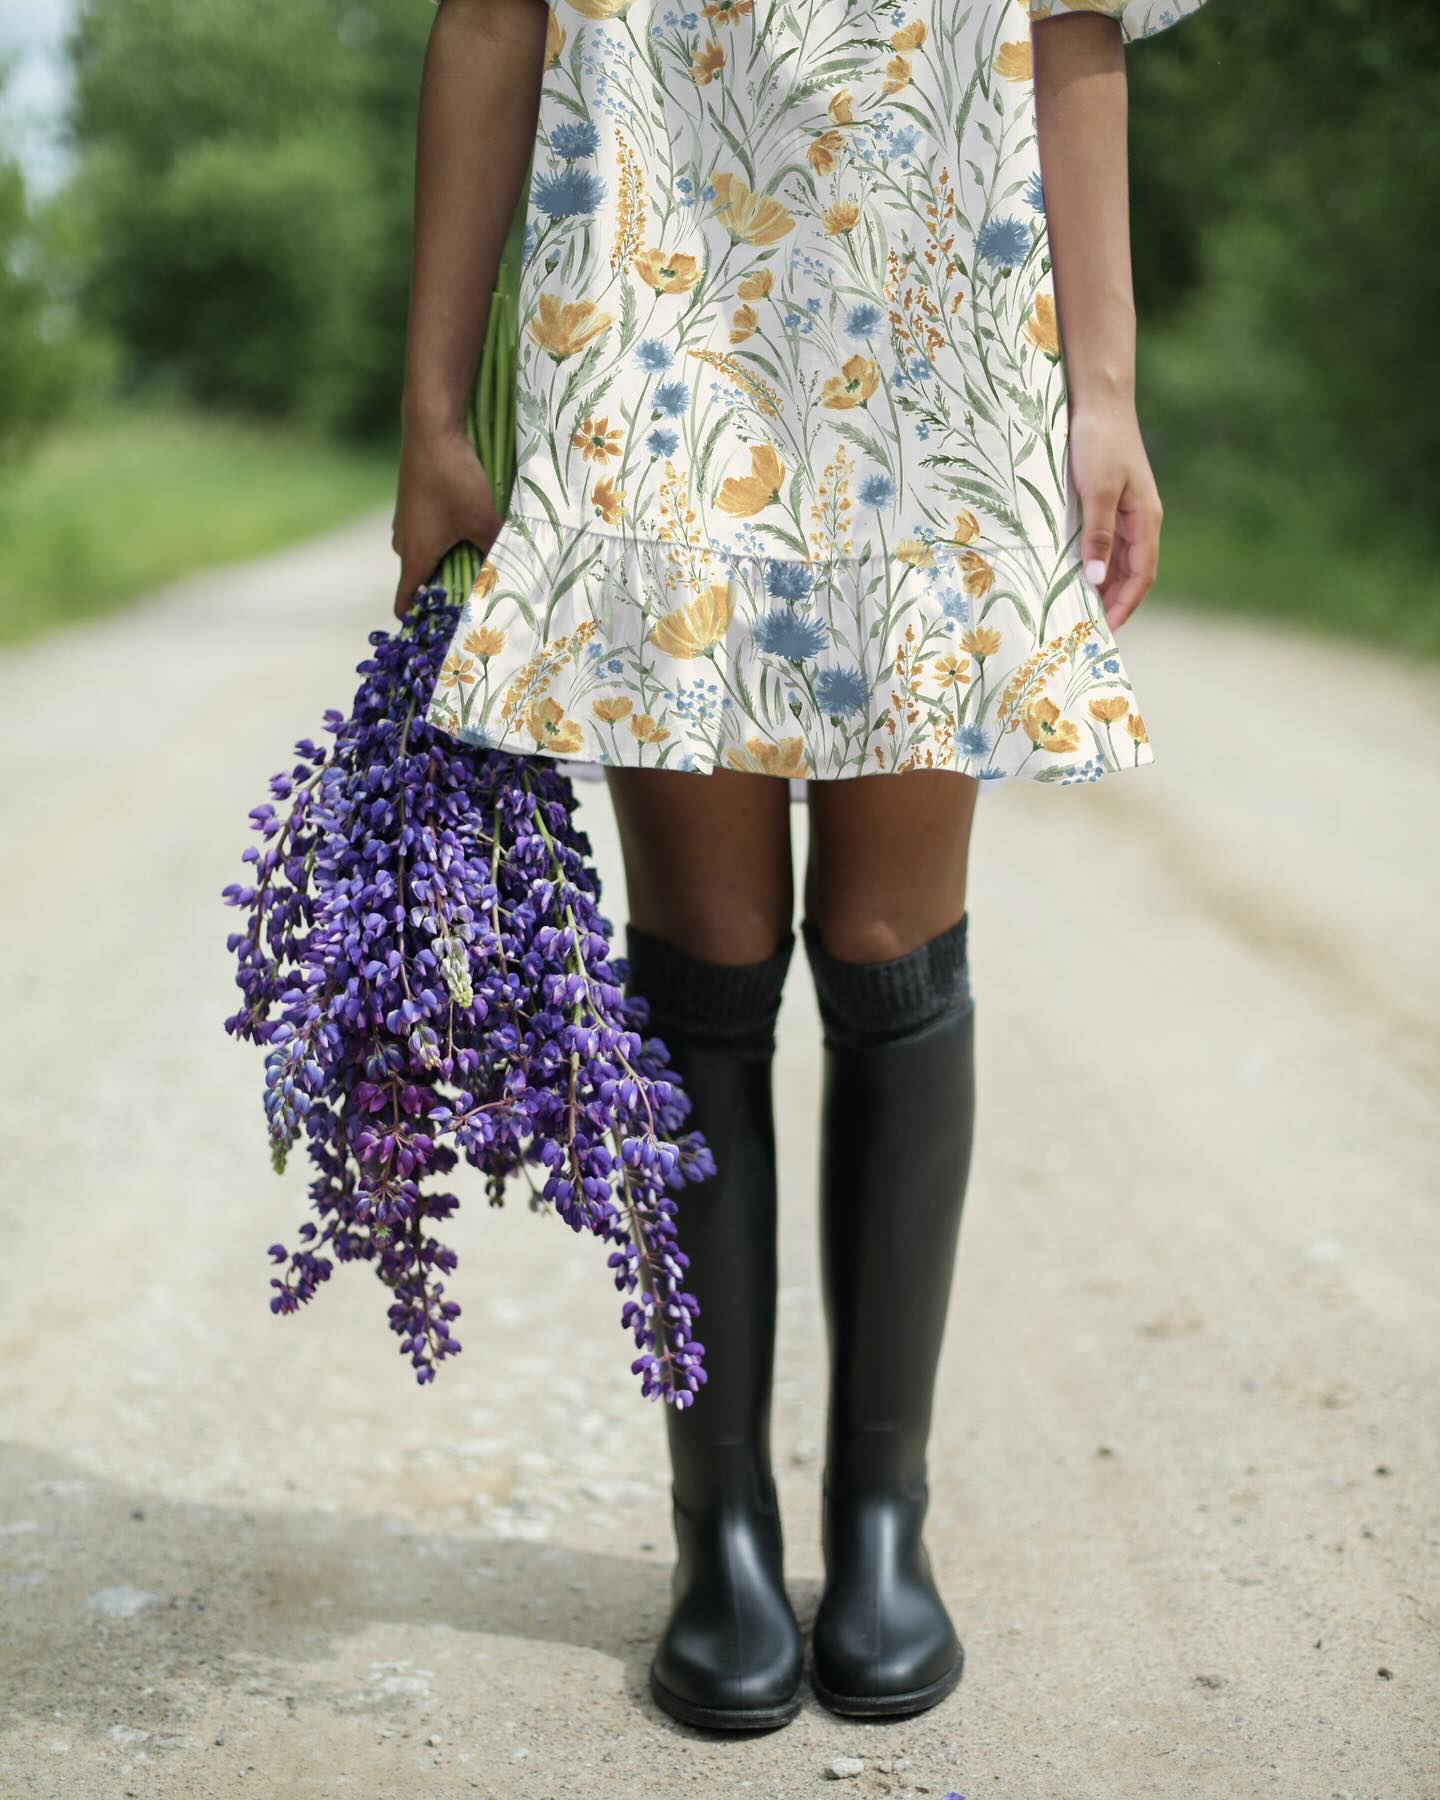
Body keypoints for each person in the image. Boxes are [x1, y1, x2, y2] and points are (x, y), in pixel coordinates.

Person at [393, 0, 1211, 1732]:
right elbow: (485, 21)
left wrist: (1107, 396)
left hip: (947, 340)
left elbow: (1077, 37)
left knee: (893, 936)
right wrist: (431, 413)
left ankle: (880, 1519)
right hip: (641, 337)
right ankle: (725, 1531)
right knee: (704, 942)